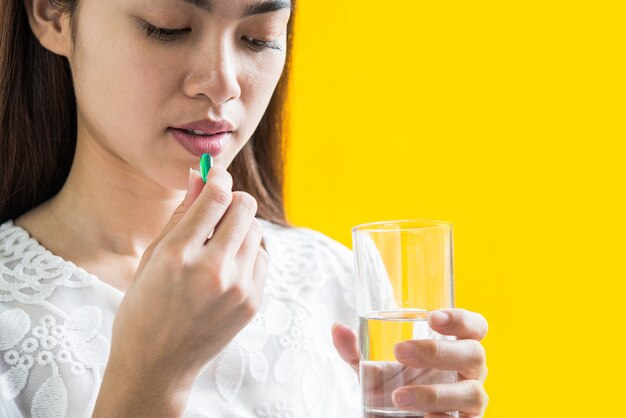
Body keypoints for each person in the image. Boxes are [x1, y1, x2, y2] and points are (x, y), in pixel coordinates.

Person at [0, 0, 489, 416]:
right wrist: (150, 375)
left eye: (258, 38)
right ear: (52, 14)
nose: (222, 84)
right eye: (168, 28)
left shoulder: (336, 280)